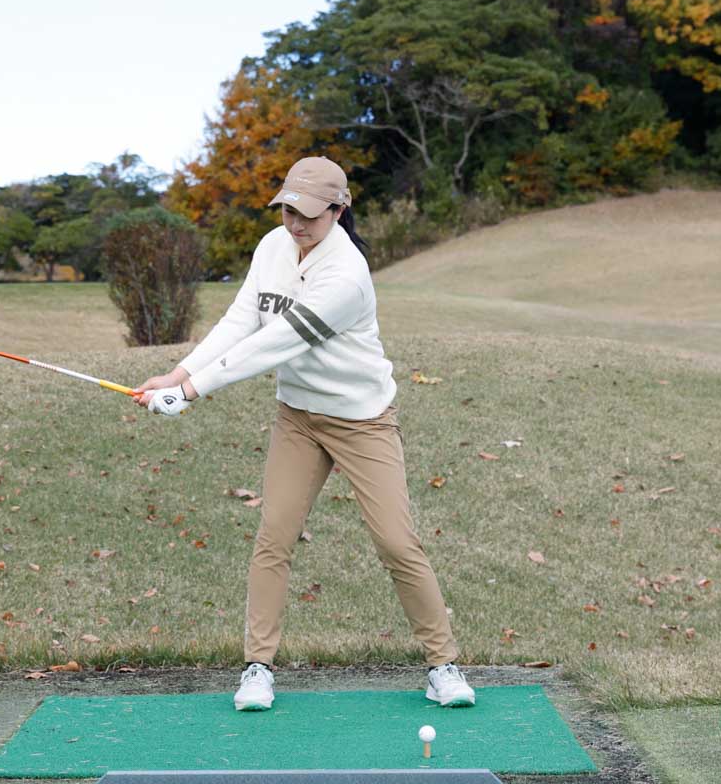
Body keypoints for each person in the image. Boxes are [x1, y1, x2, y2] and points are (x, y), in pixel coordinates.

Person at [133, 157, 474, 712]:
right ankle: (257, 668)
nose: (297, 224)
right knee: (275, 536)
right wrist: (178, 374)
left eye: (311, 215)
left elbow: (277, 344)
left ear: (340, 211)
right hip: (298, 417)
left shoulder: (347, 274)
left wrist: (194, 391)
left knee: (395, 541)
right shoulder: (272, 248)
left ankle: (443, 665)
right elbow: (243, 320)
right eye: (289, 210)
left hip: (362, 419)